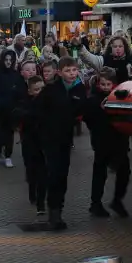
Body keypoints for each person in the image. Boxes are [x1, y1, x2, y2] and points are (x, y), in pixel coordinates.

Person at [38, 57, 88, 229]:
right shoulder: (51, 90)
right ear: (59, 72)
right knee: (54, 173)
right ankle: (54, 212)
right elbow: (38, 110)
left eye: (74, 70)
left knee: (62, 175)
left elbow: (83, 109)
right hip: (50, 138)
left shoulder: (80, 89)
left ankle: (59, 208)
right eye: (68, 70)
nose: (72, 74)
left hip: (65, 138)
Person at [83, 67, 132, 218]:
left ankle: (117, 200)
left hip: (119, 140)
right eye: (102, 84)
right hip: (101, 139)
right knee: (100, 171)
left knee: (124, 171)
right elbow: (89, 118)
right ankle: (95, 203)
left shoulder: (120, 96)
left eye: (108, 84)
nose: (105, 87)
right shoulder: (93, 98)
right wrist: (100, 111)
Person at [0, 49, 25, 168]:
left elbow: (21, 92)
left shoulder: (16, 76)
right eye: (6, 60)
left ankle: (8, 155)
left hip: (11, 111)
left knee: (9, 134)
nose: (8, 62)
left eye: (11, 60)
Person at [16, 76, 48, 215]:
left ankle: (41, 203)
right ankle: (31, 190)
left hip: (44, 143)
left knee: (43, 173)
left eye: (42, 89)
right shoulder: (25, 104)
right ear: (30, 91)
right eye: (36, 89)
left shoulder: (49, 103)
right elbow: (17, 115)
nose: (40, 92)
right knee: (31, 170)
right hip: (29, 142)